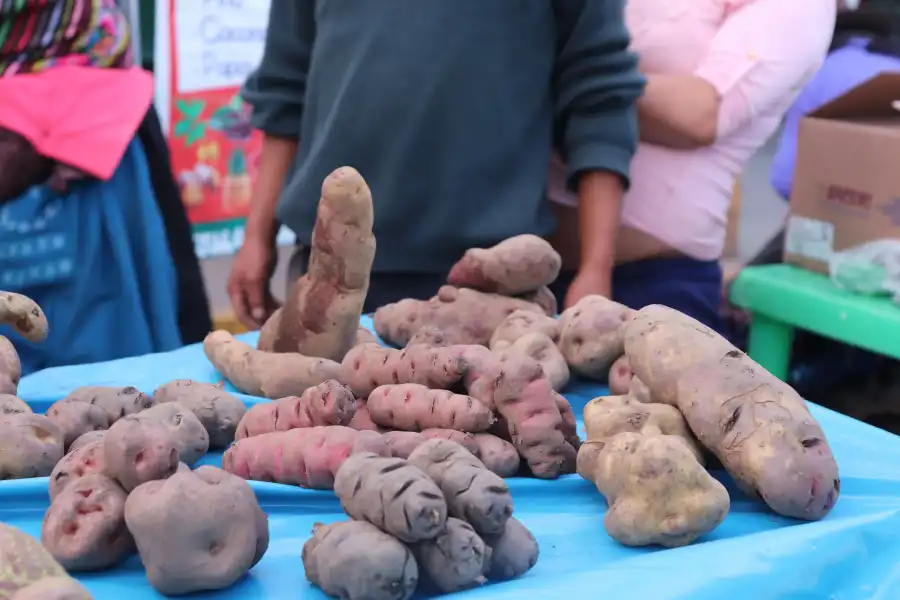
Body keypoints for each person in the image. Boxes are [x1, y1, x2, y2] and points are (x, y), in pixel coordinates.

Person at [228, 1, 645, 329]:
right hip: (327, 270)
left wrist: (595, 269)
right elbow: (285, 86)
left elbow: (599, 93)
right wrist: (256, 237)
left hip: (495, 283)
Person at [547, 0, 836, 331]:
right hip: (525, 255)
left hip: (650, 282)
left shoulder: (799, 8)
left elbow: (701, 115)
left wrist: (573, 72)